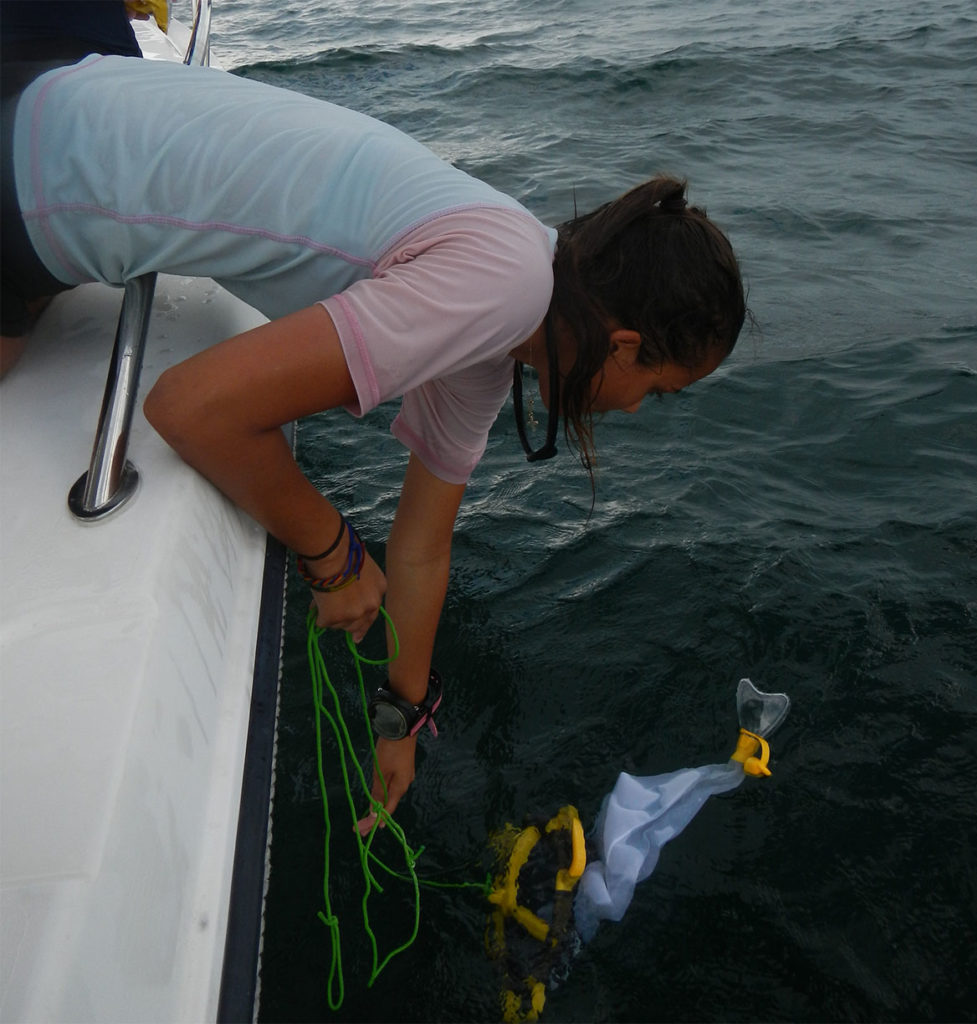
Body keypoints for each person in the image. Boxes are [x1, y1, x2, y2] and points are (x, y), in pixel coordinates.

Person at [0, 48, 746, 833]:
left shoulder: (509, 301)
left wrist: (403, 719)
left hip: (65, 108)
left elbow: (422, 547)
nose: (633, 411)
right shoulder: (501, 291)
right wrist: (331, 554)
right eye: (655, 392)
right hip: (33, 177)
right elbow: (190, 408)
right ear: (625, 345)